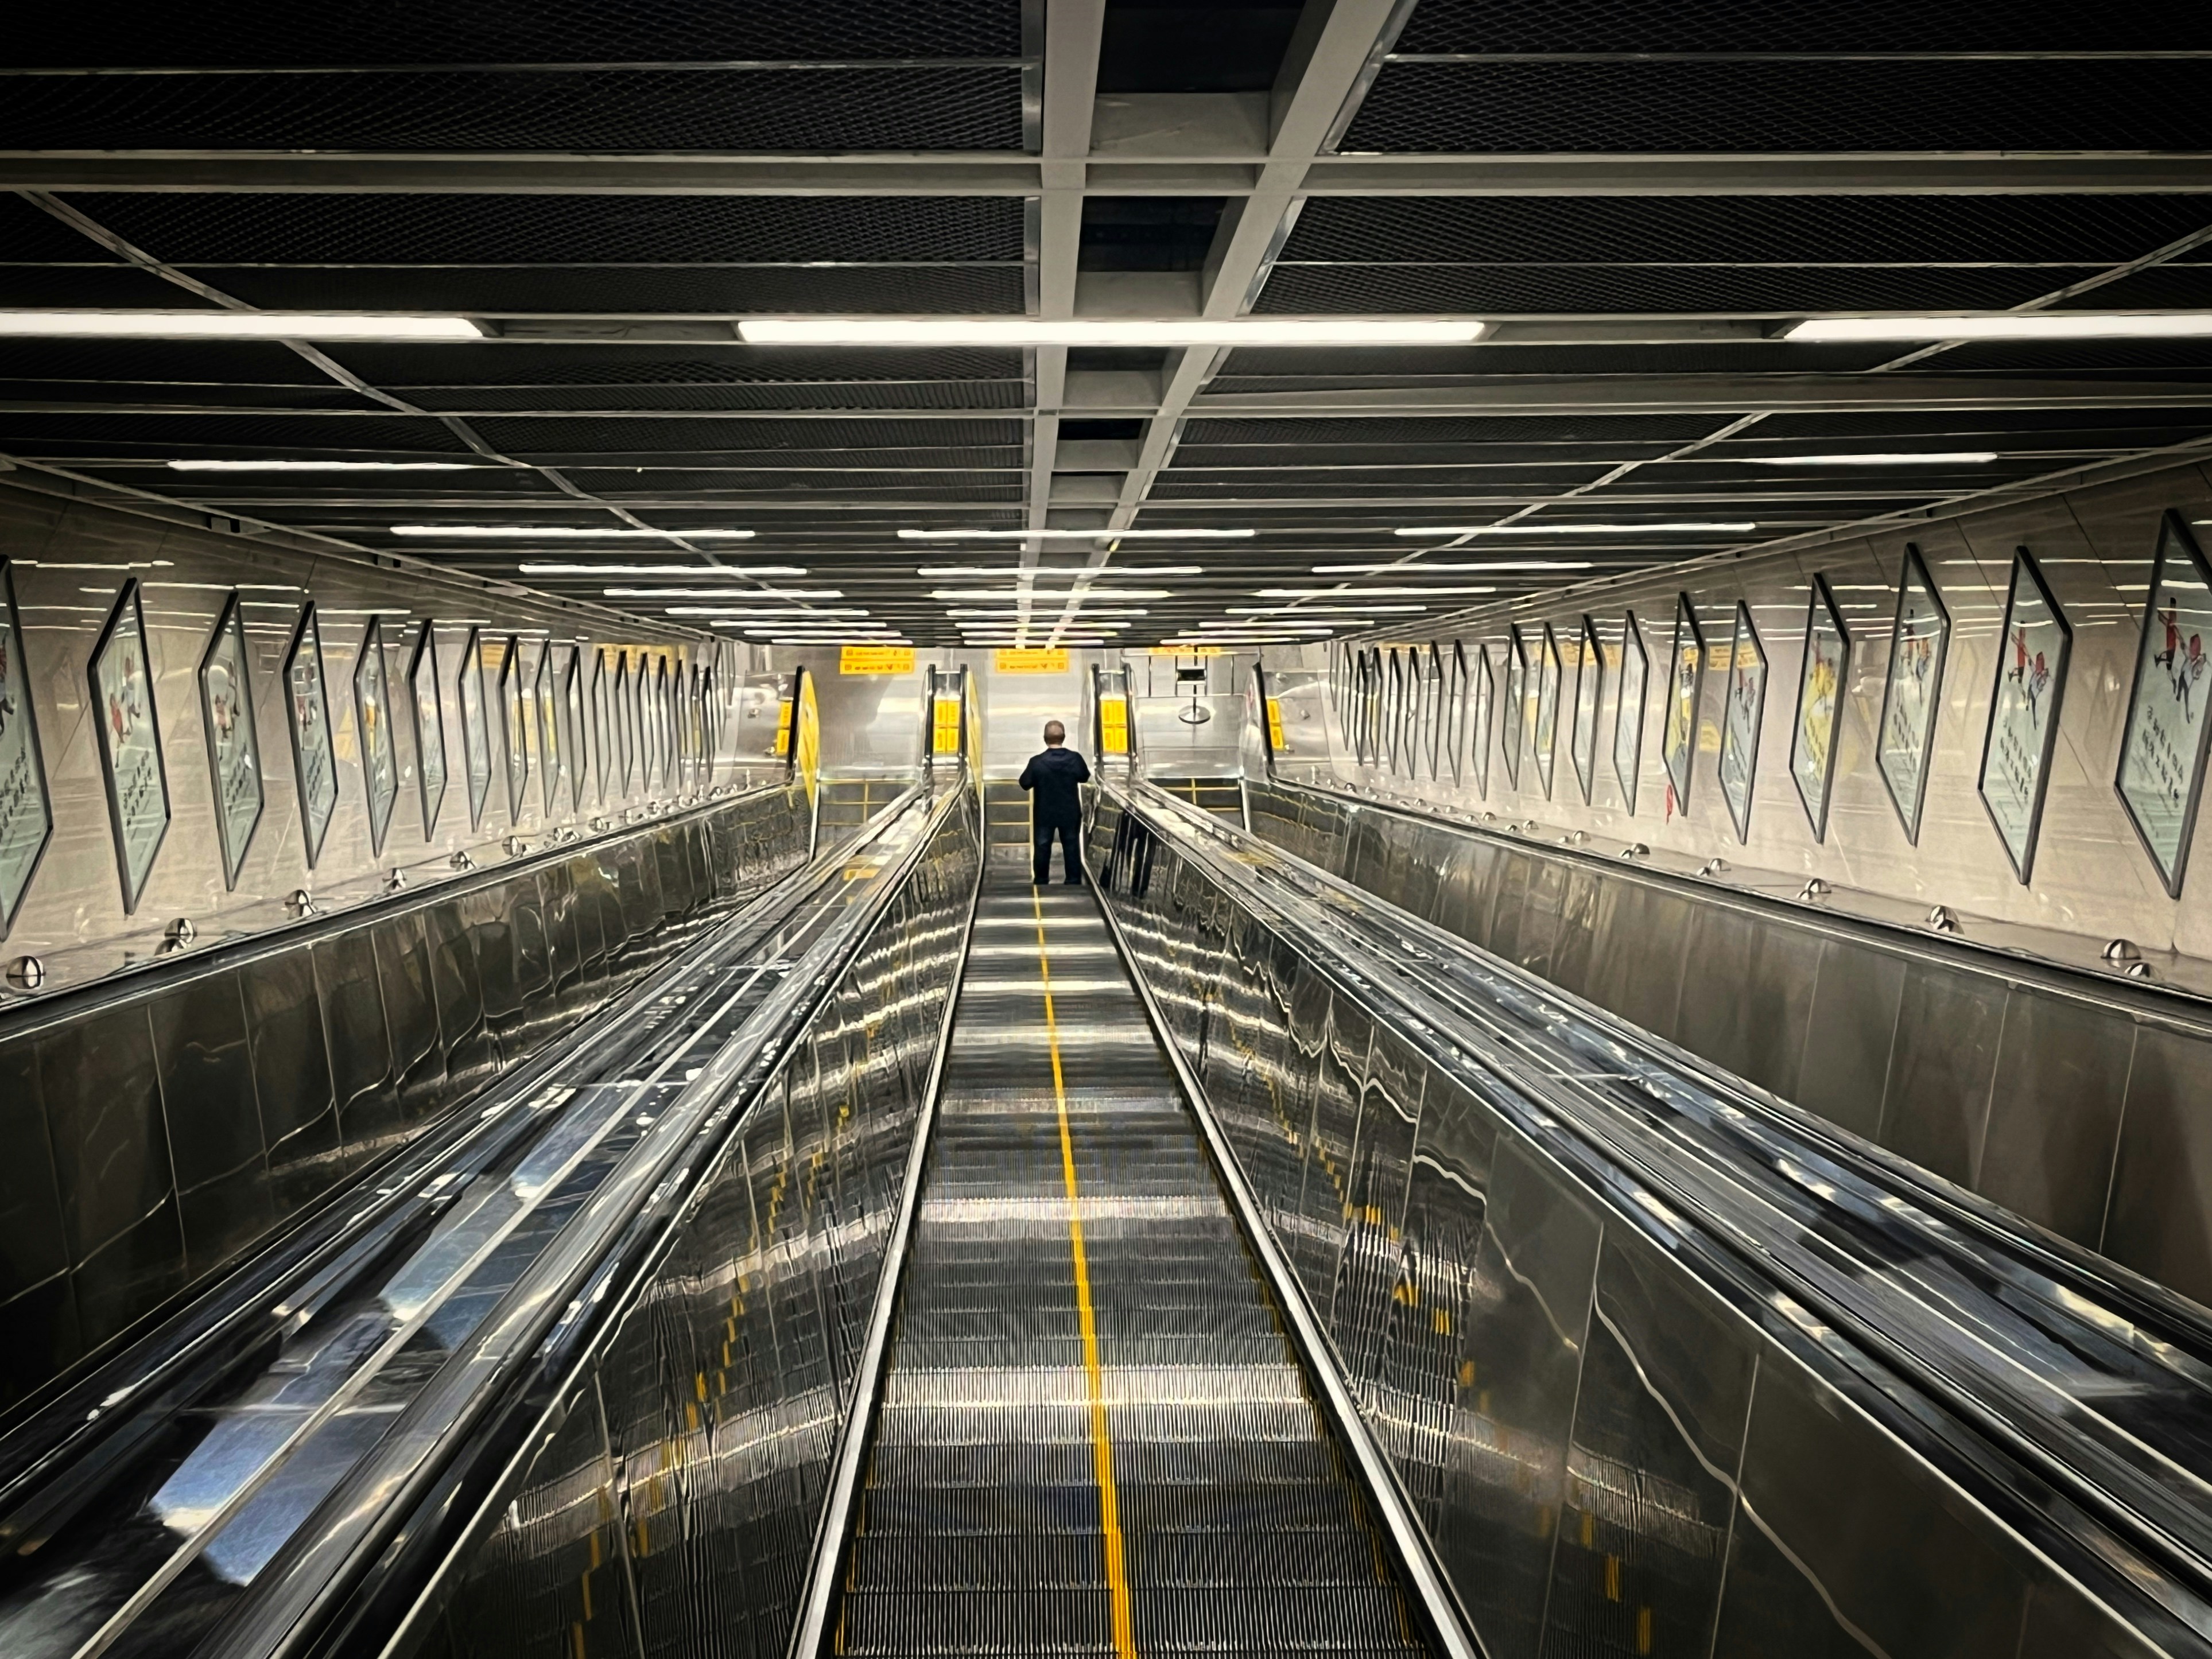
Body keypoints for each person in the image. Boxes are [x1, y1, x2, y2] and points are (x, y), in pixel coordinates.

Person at [1018, 719, 1090, 885]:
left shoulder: (1037, 762)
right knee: (1071, 845)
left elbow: (1024, 783)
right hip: (1070, 812)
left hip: (1044, 813)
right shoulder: (1075, 758)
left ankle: (1041, 879)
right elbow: (1084, 777)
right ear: (1064, 737)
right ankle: (1073, 880)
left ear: (1045, 739)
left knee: (1042, 846)